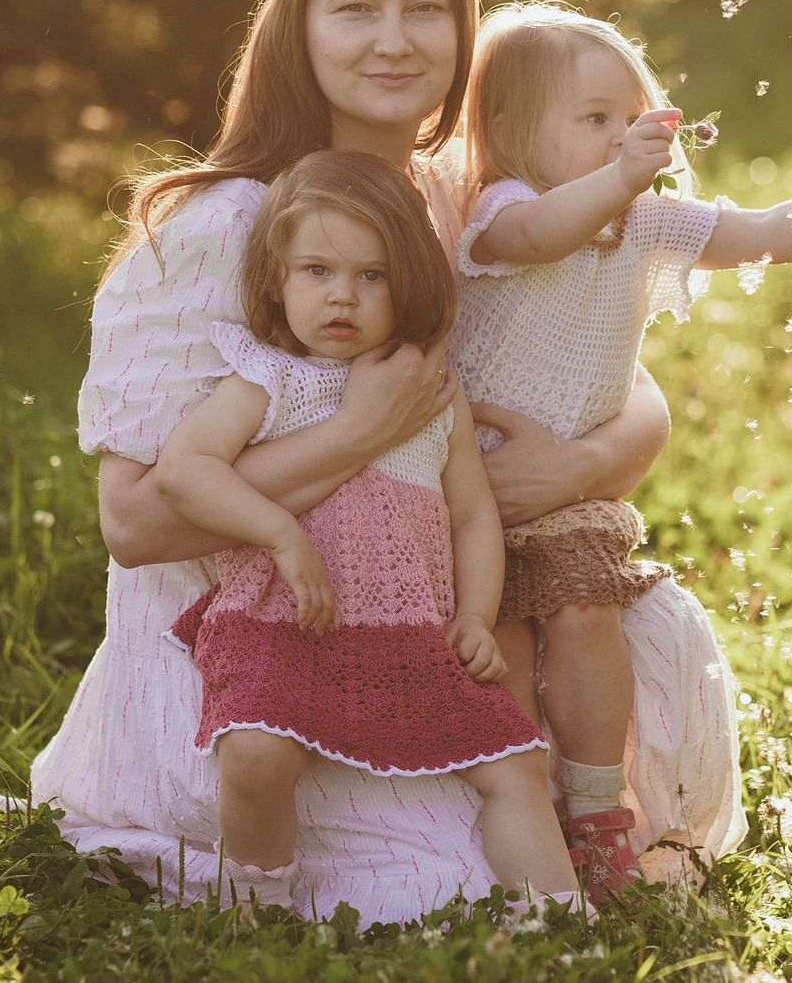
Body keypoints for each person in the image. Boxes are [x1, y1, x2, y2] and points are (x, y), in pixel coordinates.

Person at [29, 0, 743, 924]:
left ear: (463, 26)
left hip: (427, 611)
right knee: (440, 886)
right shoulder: (211, 225)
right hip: (251, 642)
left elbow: (621, 389)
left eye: (426, 8)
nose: (393, 40)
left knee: (651, 653)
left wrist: (584, 467)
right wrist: (357, 435)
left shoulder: (457, 193)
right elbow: (132, 522)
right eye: (355, 8)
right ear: (296, 30)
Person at [451, 1, 792, 899]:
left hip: (569, 497)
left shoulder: (649, 220)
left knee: (586, 618)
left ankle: (594, 809)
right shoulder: (501, 211)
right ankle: (521, 802)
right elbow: (545, 233)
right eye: (594, 121)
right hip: (470, 492)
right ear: (508, 131)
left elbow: (766, 230)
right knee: (499, 642)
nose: (623, 138)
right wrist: (619, 175)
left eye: (634, 119)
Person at [156, 151, 576, 913]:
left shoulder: (429, 391)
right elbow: (184, 469)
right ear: (277, 278)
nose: (341, 295)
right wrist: (279, 531)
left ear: (406, 283)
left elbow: (473, 512)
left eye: (370, 275)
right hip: (280, 624)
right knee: (254, 753)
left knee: (515, 763)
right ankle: (258, 907)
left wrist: (476, 614)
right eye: (316, 270)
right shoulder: (269, 377)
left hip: (411, 631)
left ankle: (557, 917)